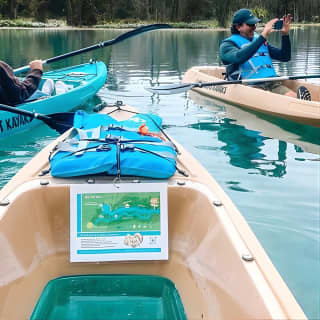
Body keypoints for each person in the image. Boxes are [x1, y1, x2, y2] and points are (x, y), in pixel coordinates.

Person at [219, 9, 311, 100]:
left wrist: (285, 35)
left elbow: (285, 56)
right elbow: (239, 57)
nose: (254, 28)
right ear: (238, 27)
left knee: (293, 97)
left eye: (254, 25)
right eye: (250, 25)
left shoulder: (259, 40)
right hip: (250, 87)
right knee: (271, 98)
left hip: (272, 82)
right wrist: (263, 36)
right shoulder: (227, 45)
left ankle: (302, 103)